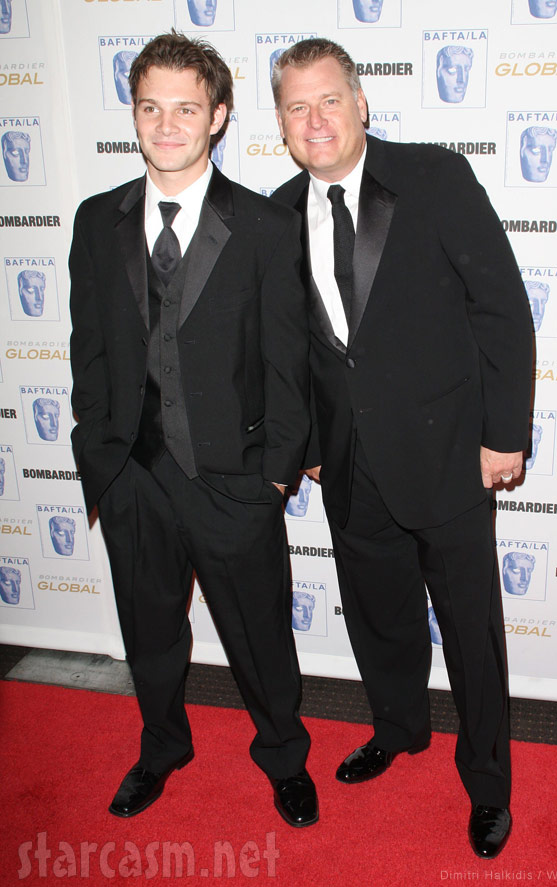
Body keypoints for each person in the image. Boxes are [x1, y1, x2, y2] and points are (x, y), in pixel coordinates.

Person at [271, 38, 532, 858]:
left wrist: (504, 435)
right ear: (280, 123)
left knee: (470, 632)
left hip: (451, 453)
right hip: (351, 464)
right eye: (296, 107)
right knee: (380, 619)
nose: (315, 120)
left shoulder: (433, 176)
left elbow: (501, 308)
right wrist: (310, 445)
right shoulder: (277, 211)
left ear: (361, 104)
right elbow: (291, 348)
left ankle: (488, 783)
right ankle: (398, 728)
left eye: (329, 101)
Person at [69, 32, 317, 828]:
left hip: (234, 480)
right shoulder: (94, 221)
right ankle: (161, 745)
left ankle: (283, 753)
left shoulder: (265, 226)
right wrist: (100, 455)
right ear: (133, 113)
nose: (166, 125)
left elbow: (289, 360)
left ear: (217, 117)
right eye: (151, 108)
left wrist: (274, 476)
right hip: (133, 476)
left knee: (261, 640)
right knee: (148, 633)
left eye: (186, 109)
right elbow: (90, 349)